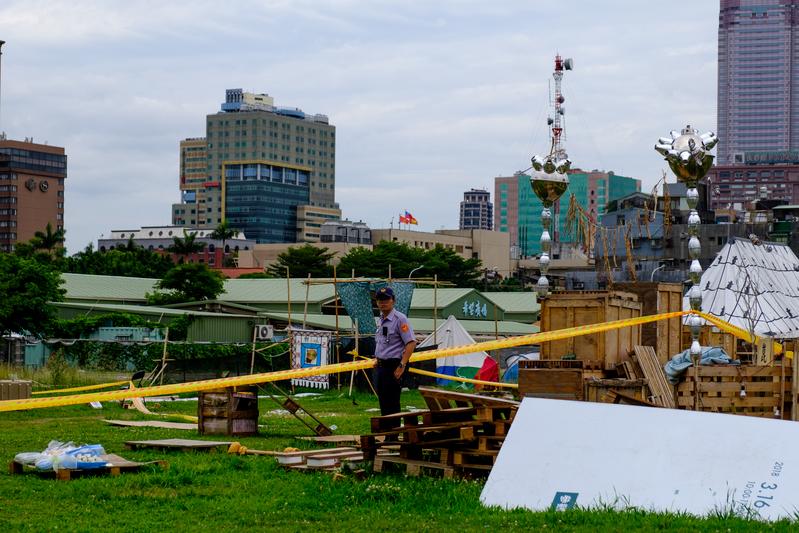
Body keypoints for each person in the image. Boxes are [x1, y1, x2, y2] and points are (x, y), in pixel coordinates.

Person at [373, 286, 416, 416]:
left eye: (386, 299)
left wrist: (402, 365)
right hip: (381, 366)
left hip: (394, 366)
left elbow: (411, 342)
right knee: (383, 401)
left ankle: (393, 434)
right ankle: (387, 434)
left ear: (393, 301)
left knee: (392, 402)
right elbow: (382, 342)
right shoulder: (381, 319)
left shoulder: (400, 319)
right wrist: (378, 359)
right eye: (380, 300)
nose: (383, 303)